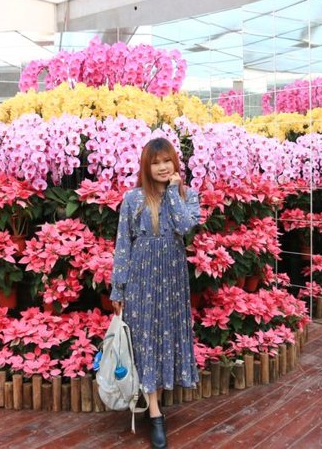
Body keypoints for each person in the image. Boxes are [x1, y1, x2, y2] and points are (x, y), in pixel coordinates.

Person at [110, 137, 200, 449]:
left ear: (175, 163)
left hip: (173, 279)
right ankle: (155, 413)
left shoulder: (187, 195)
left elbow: (184, 226)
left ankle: (154, 407)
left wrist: (173, 191)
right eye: (156, 162)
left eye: (167, 161)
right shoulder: (133, 198)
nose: (162, 167)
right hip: (141, 278)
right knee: (146, 338)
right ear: (146, 167)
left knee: (165, 336)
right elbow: (123, 244)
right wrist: (118, 287)